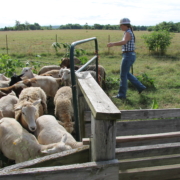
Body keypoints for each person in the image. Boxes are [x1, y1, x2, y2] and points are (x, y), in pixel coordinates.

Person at [107, 18, 146, 99]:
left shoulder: (127, 32)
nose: (120, 27)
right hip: (130, 55)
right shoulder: (128, 31)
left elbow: (124, 42)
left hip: (128, 55)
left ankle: (121, 95)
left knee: (123, 75)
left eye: (120, 25)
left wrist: (112, 44)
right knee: (126, 74)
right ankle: (140, 87)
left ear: (124, 25)